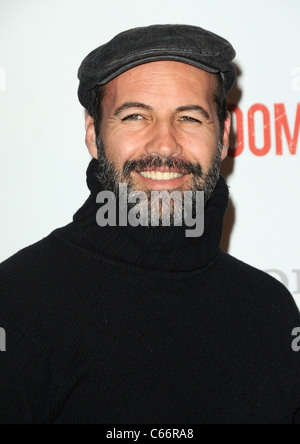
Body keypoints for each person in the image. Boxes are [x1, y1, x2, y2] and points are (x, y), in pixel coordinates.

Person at [0, 24, 299, 424]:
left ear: (224, 135)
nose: (164, 144)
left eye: (190, 118)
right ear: (93, 134)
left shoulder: (270, 311)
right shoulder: (16, 304)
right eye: (136, 116)